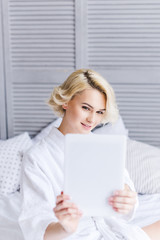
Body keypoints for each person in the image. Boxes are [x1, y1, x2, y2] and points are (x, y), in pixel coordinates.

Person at [18, 69, 160, 240]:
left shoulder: (104, 147)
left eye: (100, 112)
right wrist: (65, 228)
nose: (92, 120)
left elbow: (126, 208)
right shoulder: (37, 157)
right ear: (66, 102)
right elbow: (36, 227)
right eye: (86, 108)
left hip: (117, 232)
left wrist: (127, 202)